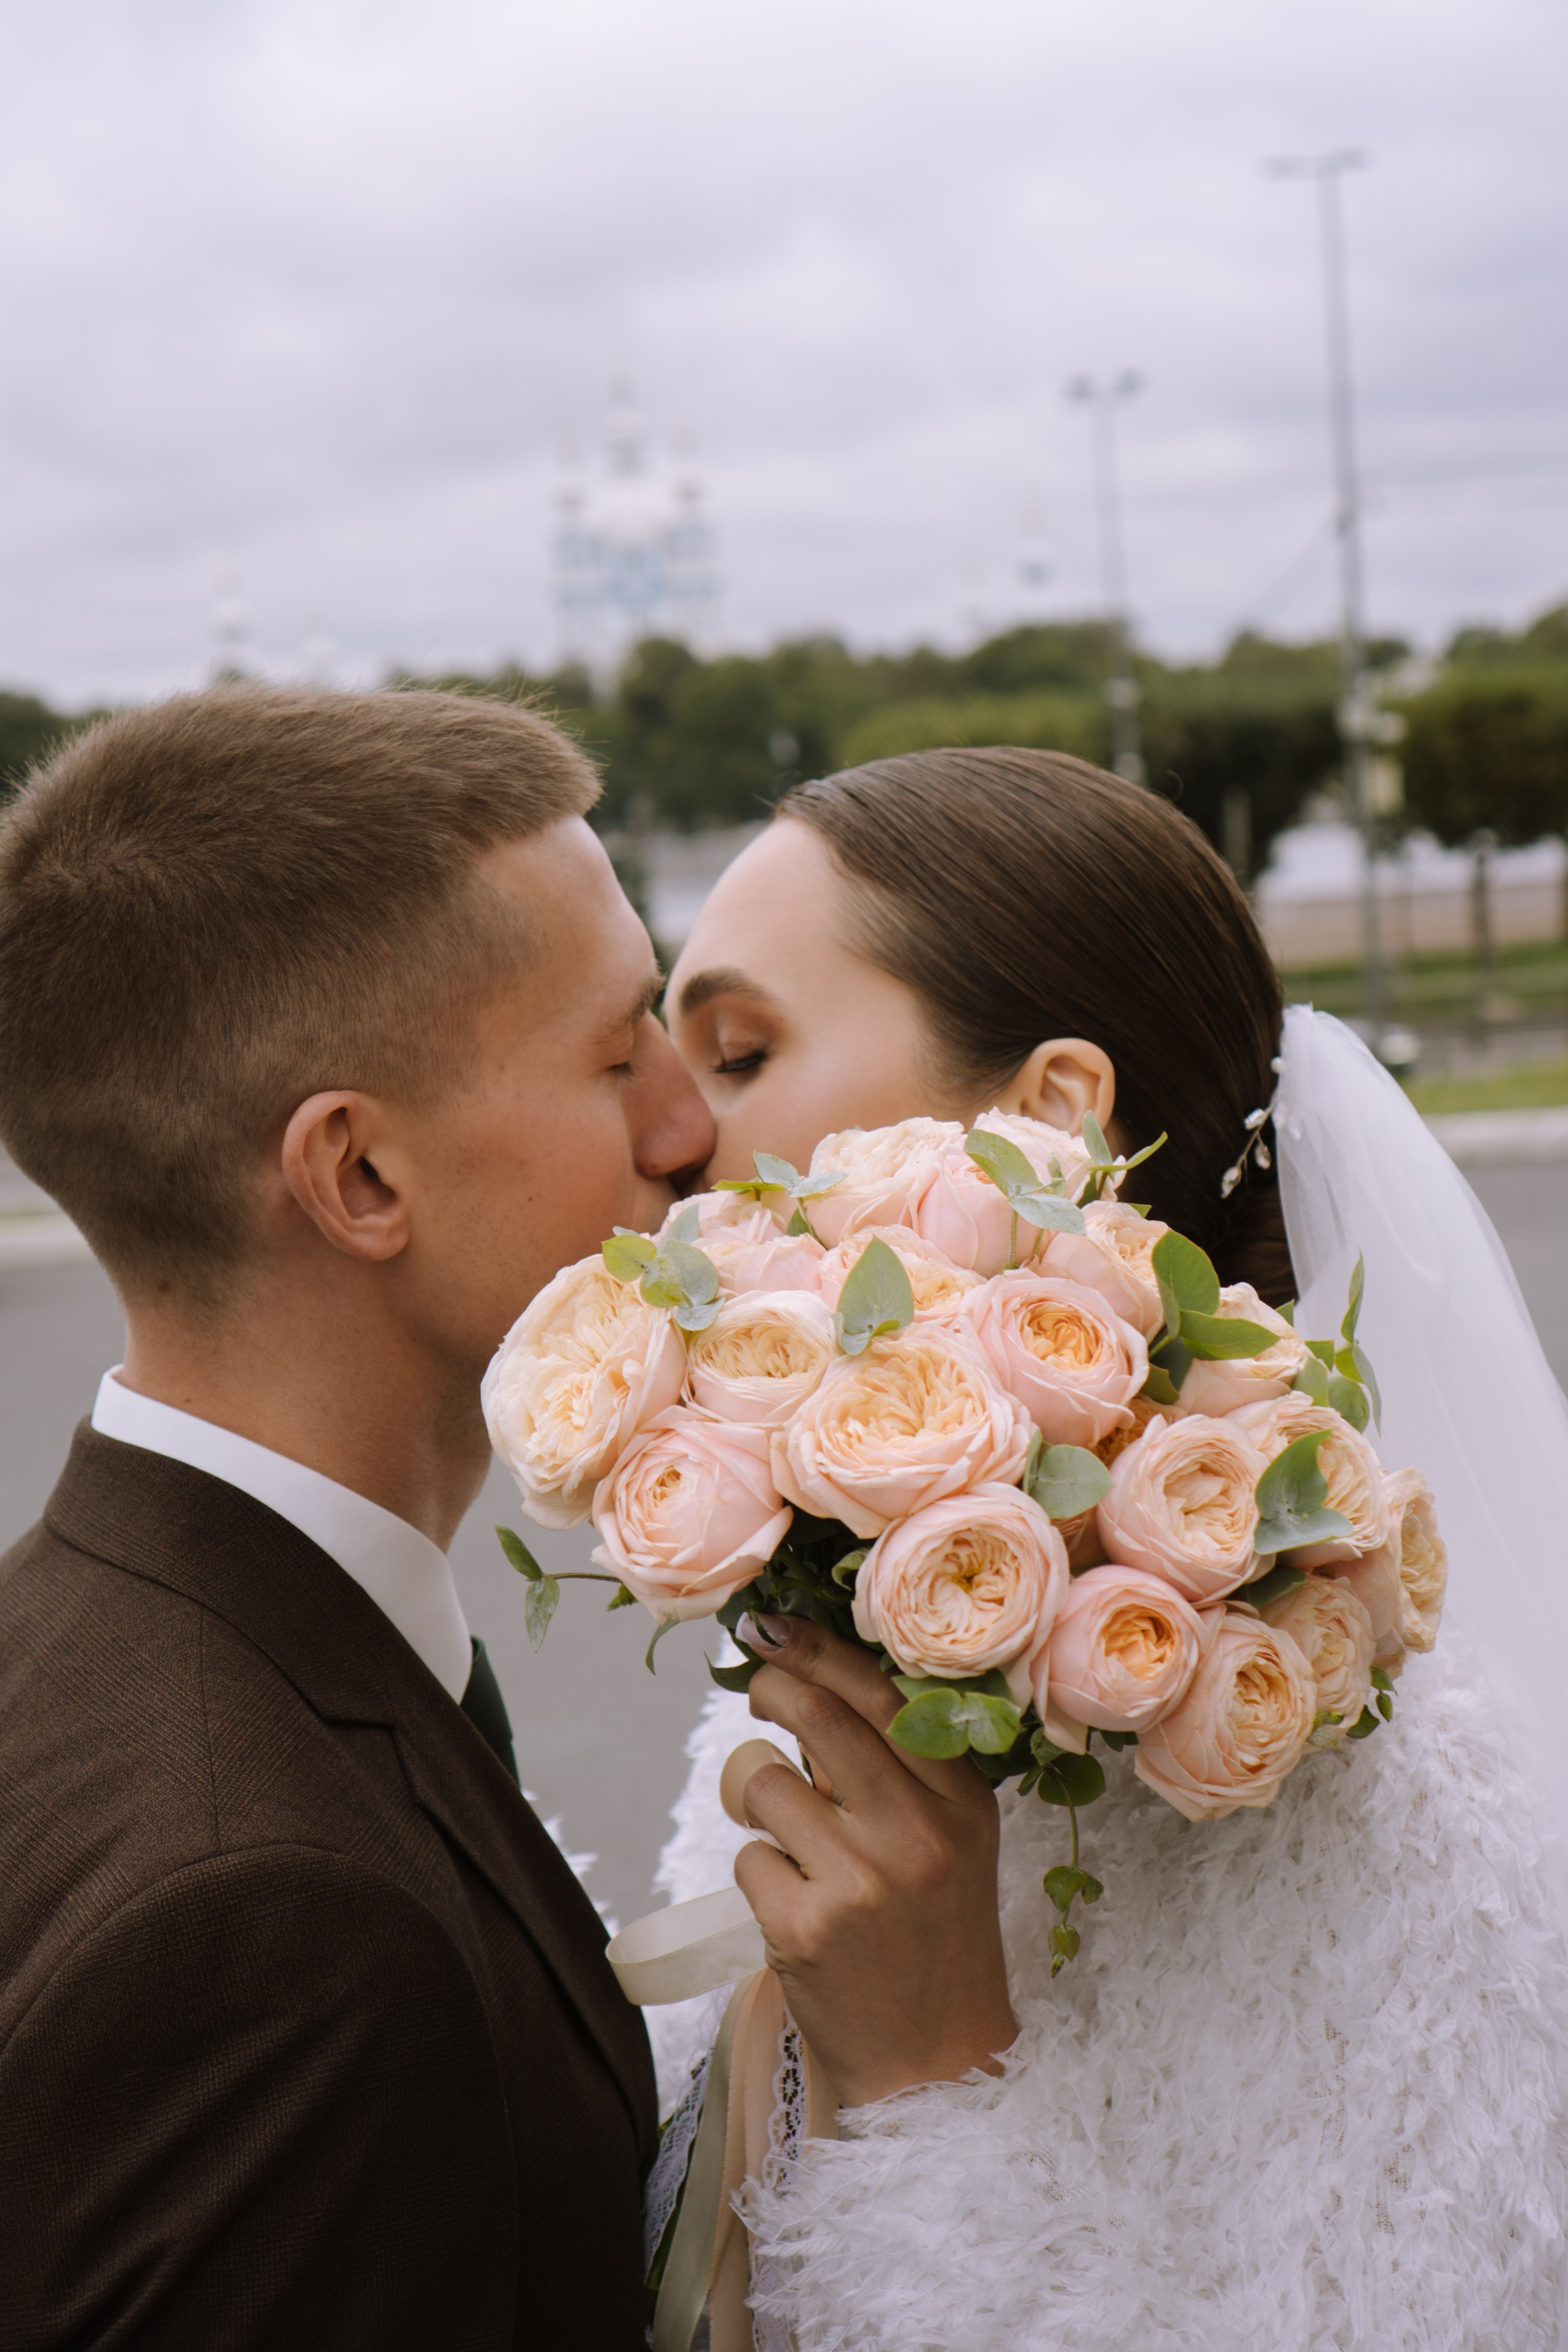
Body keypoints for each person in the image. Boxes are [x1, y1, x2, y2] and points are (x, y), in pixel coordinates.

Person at [0, 690, 1012, 2351]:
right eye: (620, 1054)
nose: (692, 1131)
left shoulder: (78, 1639)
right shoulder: (274, 1932)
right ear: (362, 1179)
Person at [657, 747, 1568, 2351]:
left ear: (1051, 1117)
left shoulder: (1373, 1798)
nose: (669, 1135)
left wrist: (929, 2076)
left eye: (737, 1049)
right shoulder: (827, 1651)